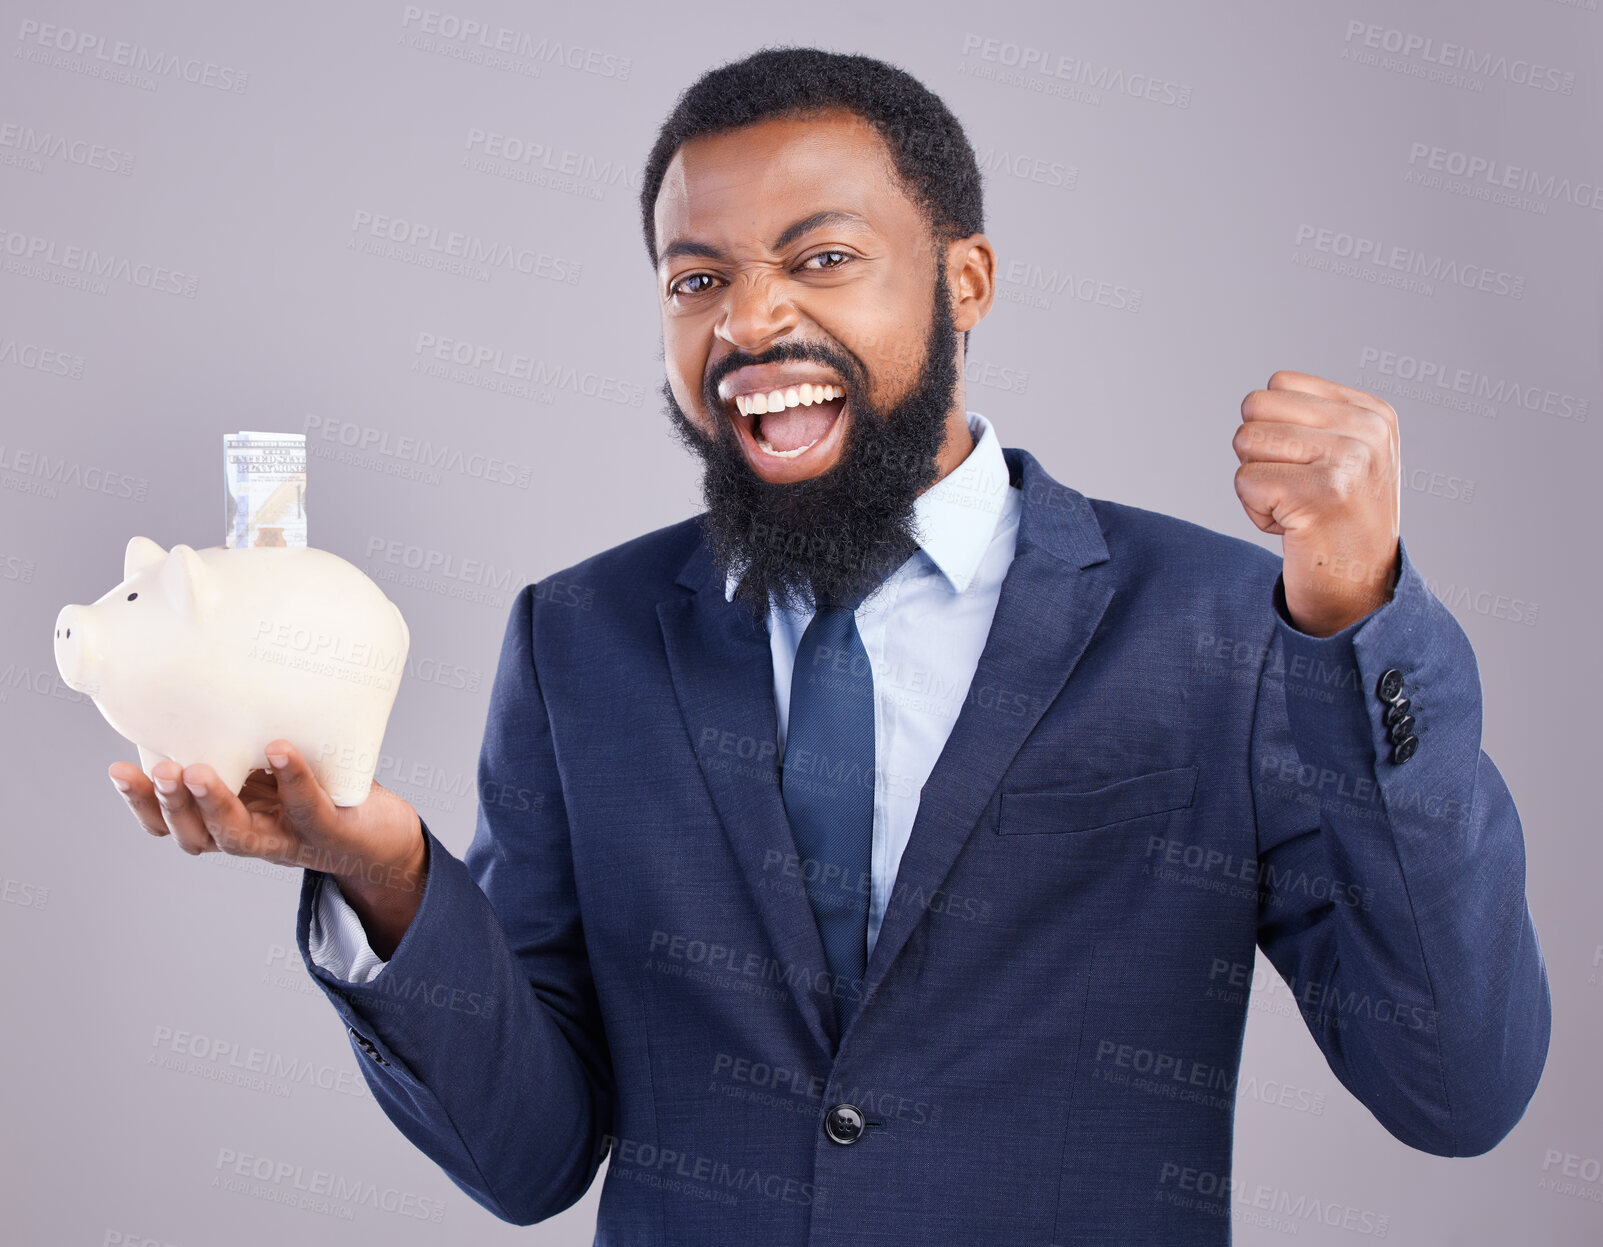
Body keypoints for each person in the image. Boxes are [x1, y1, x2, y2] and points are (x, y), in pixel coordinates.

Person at [110, 46, 1550, 1243]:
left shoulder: (1223, 629)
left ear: (966, 280)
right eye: (696, 279)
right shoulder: (583, 640)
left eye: (825, 257)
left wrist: (1361, 619)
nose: (750, 318)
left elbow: (1455, 1084)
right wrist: (389, 873)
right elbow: (530, 1157)